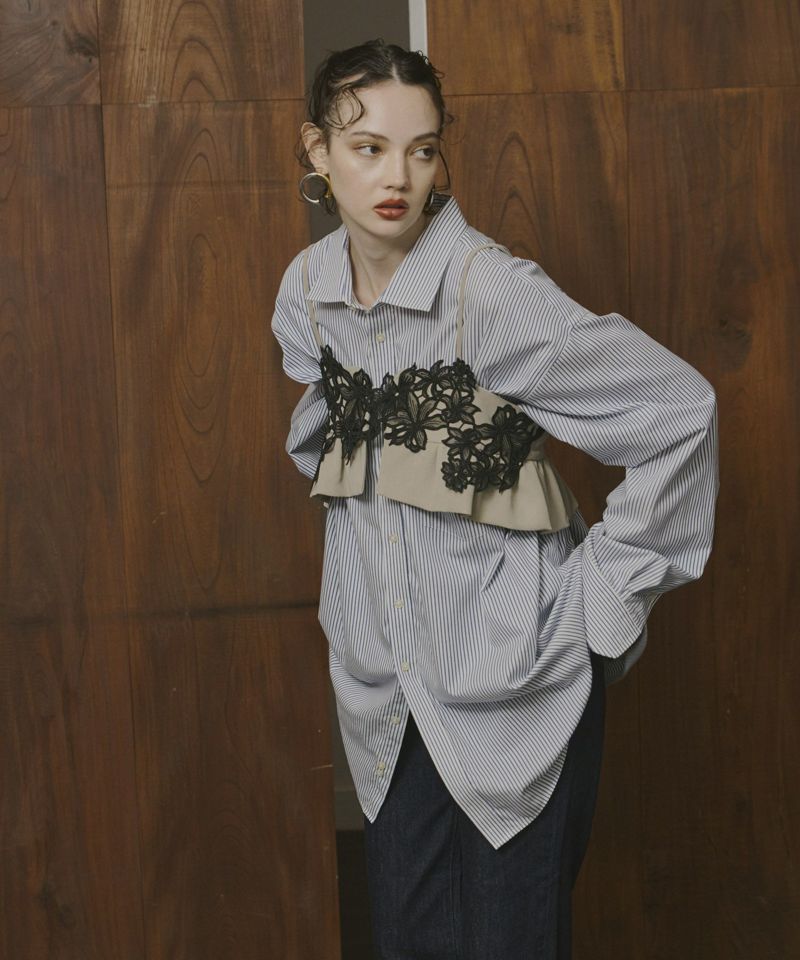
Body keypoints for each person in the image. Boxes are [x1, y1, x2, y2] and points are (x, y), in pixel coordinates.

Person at [270, 38, 719, 960]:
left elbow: (678, 411)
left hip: (520, 690)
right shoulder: (308, 295)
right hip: (388, 700)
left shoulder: (490, 292)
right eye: (368, 147)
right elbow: (338, 458)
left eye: (422, 149)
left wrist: (595, 611)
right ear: (317, 150)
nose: (397, 176)